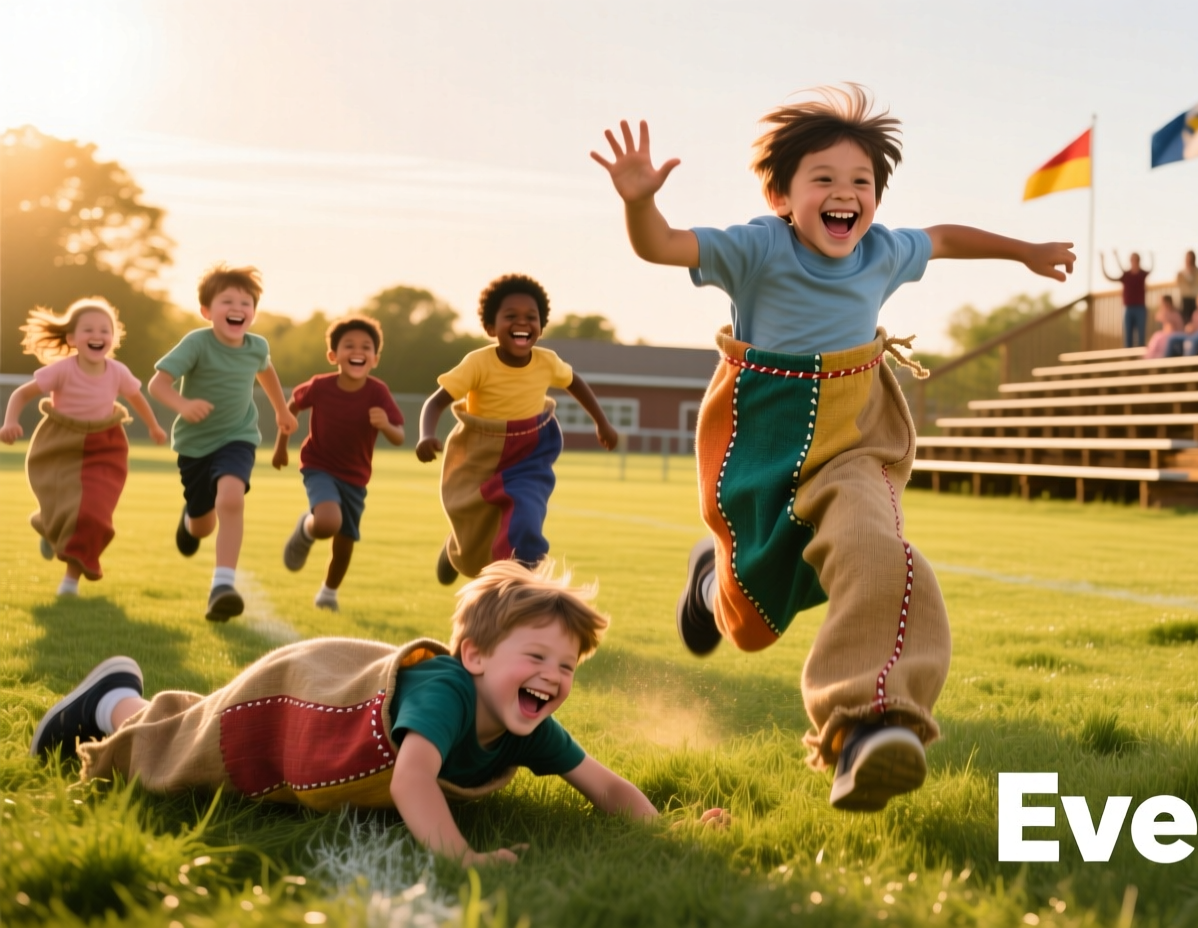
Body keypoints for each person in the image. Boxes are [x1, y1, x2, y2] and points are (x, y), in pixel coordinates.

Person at [591, 84, 1074, 811]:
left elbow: (943, 237)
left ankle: (866, 728)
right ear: (782, 194)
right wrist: (638, 201)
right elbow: (660, 246)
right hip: (762, 439)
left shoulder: (883, 251)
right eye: (824, 180)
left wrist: (1024, 252)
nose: (846, 194)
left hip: (855, 441)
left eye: (862, 182)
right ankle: (708, 580)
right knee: (750, 626)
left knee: (881, 551)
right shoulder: (756, 247)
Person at [31, 560, 725, 864]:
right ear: (475, 656)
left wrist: (672, 829)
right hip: (296, 694)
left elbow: (602, 784)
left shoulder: (525, 721)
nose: (553, 677)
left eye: (568, 667)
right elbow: (411, 779)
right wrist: (464, 857)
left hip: (332, 676)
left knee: (189, 731)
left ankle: (121, 696)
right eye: (537, 657)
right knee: (190, 752)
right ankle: (112, 705)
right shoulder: (445, 692)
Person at [415, 275, 618, 584]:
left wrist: (601, 422)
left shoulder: (546, 361)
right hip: (480, 452)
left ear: (540, 325)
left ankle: (522, 580)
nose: (522, 322)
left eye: (531, 317)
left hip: (530, 452)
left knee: (525, 515)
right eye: (511, 316)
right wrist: (426, 434)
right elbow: (435, 402)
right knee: (476, 520)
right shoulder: (478, 363)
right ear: (491, 327)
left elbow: (574, 382)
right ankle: (456, 549)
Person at [148, 266, 299, 621]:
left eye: (245, 302)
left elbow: (266, 370)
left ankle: (222, 585)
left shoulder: (256, 346)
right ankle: (189, 521)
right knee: (204, 524)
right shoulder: (197, 343)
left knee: (231, 499)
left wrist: (281, 410)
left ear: (253, 313)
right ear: (206, 311)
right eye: (227, 300)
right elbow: (158, 384)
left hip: (238, 438)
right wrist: (183, 405)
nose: (237, 307)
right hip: (194, 445)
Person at [1, 298, 168, 595]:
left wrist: (154, 426)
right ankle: (50, 526)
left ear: (113, 338)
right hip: (59, 444)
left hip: (105, 447)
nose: (98, 335)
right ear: (72, 338)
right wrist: (9, 422)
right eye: (88, 329)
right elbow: (21, 395)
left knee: (93, 513)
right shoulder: (62, 370)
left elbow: (136, 399)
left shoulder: (117, 371)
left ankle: (70, 581)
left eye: (105, 330)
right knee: (63, 506)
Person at [272, 316, 406, 610]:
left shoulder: (378, 392)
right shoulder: (320, 386)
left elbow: (399, 436)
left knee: (345, 542)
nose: (357, 351)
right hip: (318, 465)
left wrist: (385, 425)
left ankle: (328, 594)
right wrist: (281, 447)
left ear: (374, 358)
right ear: (333, 355)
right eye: (349, 345)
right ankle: (307, 529)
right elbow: (290, 407)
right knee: (328, 522)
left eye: (365, 347)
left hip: (356, 478)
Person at [1103, 249, 1152, 348]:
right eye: (1132, 260)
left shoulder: (1142, 274)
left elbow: (1151, 269)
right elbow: (1110, 277)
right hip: (1128, 308)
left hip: (1140, 308)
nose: (1133, 261)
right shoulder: (1126, 275)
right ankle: (1128, 359)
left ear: (1138, 260)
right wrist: (1103, 262)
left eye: (1135, 259)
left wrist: (1152, 256)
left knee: (1141, 337)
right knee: (1127, 338)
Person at [1174, 251, 1198, 324]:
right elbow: (1178, 284)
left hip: (1195, 298)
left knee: (1195, 319)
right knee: (1185, 319)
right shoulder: (1180, 273)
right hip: (1184, 299)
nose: (1189, 260)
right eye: (1188, 258)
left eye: (1191, 258)